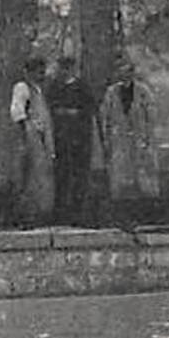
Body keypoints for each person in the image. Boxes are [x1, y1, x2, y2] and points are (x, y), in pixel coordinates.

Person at [98, 58, 161, 201]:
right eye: (121, 71)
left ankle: (148, 200)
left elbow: (151, 116)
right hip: (118, 136)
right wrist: (107, 137)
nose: (124, 74)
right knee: (118, 169)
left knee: (142, 169)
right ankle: (118, 198)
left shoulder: (143, 91)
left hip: (139, 135)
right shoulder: (112, 92)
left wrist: (148, 136)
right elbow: (104, 115)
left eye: (127, 71)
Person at [46, 55, 96, 220]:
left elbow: (89, 108)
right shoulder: (54, 86)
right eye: (62, 67)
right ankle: (59, 210)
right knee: (61, 174)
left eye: (68, 67)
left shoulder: (82, 87)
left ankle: (78, 210)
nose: (65, 71)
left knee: (78, 174)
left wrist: (76, 113)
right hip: (59, 136)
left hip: (78, 137)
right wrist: (59, 112)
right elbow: (49, 107)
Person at [9, 56, 56, 221]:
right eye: (38, 71)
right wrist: (26, 135)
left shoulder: (38, 90)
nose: (41, 75)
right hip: (29, 135)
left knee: (39, 174)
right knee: (27, 174)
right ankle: (25, 213)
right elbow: (17, 112)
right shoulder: (22, 88)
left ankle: (38, 211)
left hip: (40, 136)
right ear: (29, 72)